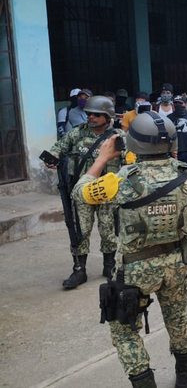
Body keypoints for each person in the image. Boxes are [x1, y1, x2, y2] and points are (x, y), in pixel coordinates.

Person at [71, 112, 187, 388]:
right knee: (177, 317)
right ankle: (184, 374)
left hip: (134, 269)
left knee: (123, 329)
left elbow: (80, 192)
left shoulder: (120, 182)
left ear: (135, 144)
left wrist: (103, 157)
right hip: (177, 262)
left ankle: (145, 383)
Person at [48, 96, 123, 289]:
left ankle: (109, 265)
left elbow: (130, 161)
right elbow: (59, 148)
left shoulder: (117, 137)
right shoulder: (77, 133)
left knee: (108, 230)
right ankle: (79, 270)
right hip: (82, 191)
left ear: (107, 116)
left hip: (108, 193)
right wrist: (52, 157)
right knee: (79, 230)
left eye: (97, 115)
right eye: (89, 114)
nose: (91, 117)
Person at [168, 95, 187, 171]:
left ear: (185, 104)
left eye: (180, 103)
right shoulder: (169, 118)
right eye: (175, 103)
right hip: (175, 152)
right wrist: (171, 150)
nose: (178, 105)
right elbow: (168, 136)